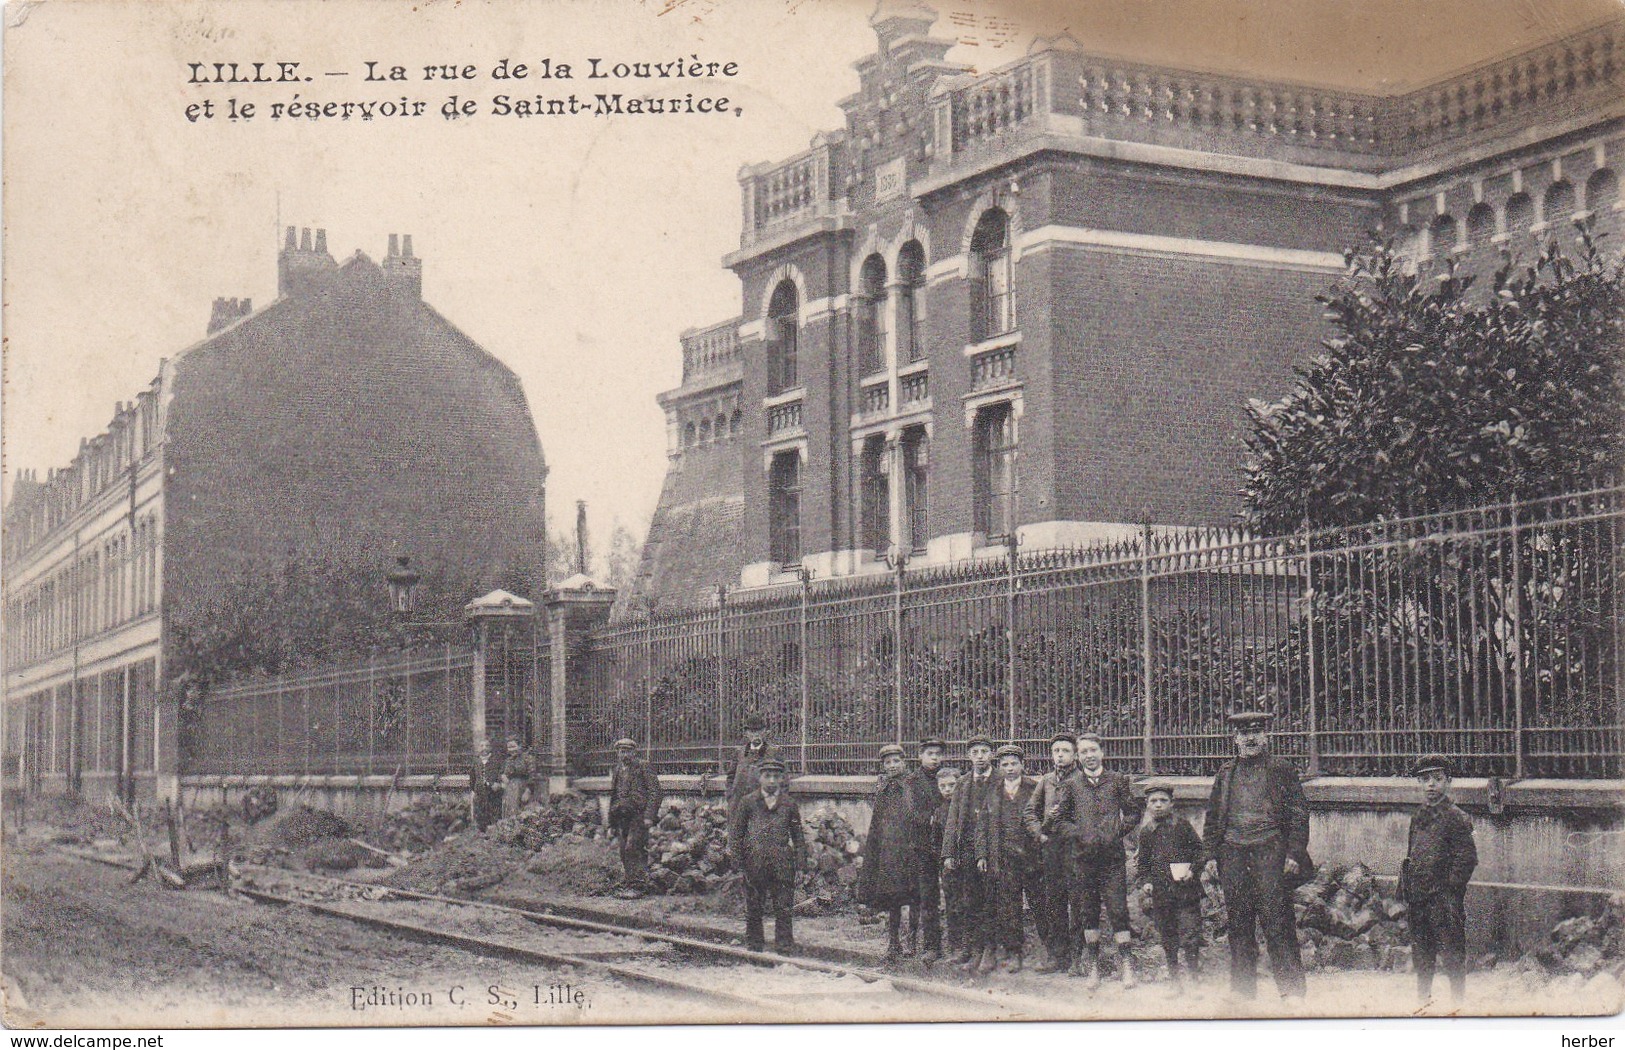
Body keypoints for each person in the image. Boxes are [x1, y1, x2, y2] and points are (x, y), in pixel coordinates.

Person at [1202, 709, 1312, 1001]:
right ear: (1234, 738)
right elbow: (1213, 817)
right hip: (1233, 854)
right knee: (1238, 922)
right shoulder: (1225, 774)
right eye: (1243, 733)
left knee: (1278, 920)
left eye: (1255, 732)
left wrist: (1294, 853)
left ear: (1266, 736)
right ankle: (1242, 991)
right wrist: (1211, 855)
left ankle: (1292, 992)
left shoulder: (1282, 770)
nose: (1249, 738)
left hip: (1270, 853)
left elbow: (1299, 815)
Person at [1051, 732, 1142, 988]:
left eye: (1093, 750)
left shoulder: (1117, 781)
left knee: (1118, 911)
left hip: (1112, 859)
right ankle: (1093, 965)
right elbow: (1059, 820)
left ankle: (1126, 964)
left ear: (1101, 752)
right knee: (1088, 912)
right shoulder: (1071, 785)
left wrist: (1119, 831)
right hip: (1083, 859)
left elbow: (1134, 811)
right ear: (1078, 757)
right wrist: (1078, 834)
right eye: (1084, 752)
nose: (1089, 756)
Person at [1400, 754, 1477, 1005]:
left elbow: (1466, 859)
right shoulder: (1418, 816)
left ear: (1449, 782)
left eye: (1437, 779)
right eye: (1425, 780)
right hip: (1419, 898)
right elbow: (1412, 853)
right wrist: (1408, 886)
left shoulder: (1456, 817)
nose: (1431, 785)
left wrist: (1450, 890)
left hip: (1443, 900)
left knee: (1452, 953)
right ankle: (1423, 1002)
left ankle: (1458, 1003)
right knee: (1422, 956)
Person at [727, 757, 805, 952]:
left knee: (784, 907)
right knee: (754, 907)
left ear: (781, 779)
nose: (771, 781)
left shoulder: (789, 804)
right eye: (767, 776)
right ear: (759, 778)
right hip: (755, 862)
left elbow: (798, 837)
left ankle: (784, 947)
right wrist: (738, 861)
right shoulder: (748, 802)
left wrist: (801, 865)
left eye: (775, 776)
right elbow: (736, 833)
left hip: (782, 863)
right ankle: (754, 947)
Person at [1136, 780, 1205, 987]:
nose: (1158, 805)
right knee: (1168, 936)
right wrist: (1146, 881)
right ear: (1147, 805)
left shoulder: (1182, 826)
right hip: (1161, 894)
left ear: (1172, 803)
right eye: (1153, 801)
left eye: (1163, 800)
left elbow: (1200, 852)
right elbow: (1143, 864)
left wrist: (1192, 870)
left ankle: (1194, 978)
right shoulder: (1146, 831)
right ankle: (1175, 980)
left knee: (1190, 935)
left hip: (1186, 892)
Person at [1024, 730, 1082, 973]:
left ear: (1075, 754)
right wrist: (1040, 833)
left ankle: (1079, 957)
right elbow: (1029, 812)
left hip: (1076, 850)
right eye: (1056, 751)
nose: (1060, 755)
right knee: (1054, 902)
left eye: (1065, 751)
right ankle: (1058, 957)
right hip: (1051, 852)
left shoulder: (1082, 779)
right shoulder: (1046, 780)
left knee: (1078, 903)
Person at [979, 744, 1039, 973]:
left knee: (1039, 903)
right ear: (999, 767)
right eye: (1005, 764)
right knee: (1009, 905)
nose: (1010, 768)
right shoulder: (993, 791)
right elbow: (983, 826)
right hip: (1004, 857)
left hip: (1031, 856)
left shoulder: (1034, 788)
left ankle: (1050, 951)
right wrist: (983, 854)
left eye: (1014, 763)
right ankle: (1014, 952)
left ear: (1022, 765)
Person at [858, 743, 920, 962]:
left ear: (904, 762)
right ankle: (893, 942)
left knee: (914, 897)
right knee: (893, 897)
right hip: (890, 852)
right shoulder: (883, 789)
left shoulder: (913, 784)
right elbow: (877, 823)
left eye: (896, 761)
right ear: (883, 766)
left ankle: (912, 940)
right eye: (888, 762)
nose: (892, 766)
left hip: (911, 849)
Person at [942, 734, 997, 972]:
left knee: (990, 899)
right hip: (966, 849)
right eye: (975, 752)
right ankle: (972, 948)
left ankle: (989, 950)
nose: (980, 757)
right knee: (969, 899)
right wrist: (949, 853)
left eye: (984, 751)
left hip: (993, 849)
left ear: (991, 754)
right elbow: (953, 820)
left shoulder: (1001, 780)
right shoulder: (963, 783)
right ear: (969, 756)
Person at [905, 738, 949, 963]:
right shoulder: (912, 781)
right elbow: (911, 813)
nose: (935, 758)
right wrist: (934, 818)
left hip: (948, 845)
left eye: (938, 754)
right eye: (930, 753)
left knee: (953, 894)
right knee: (928, 897)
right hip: (923, 846)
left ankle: (958, 944)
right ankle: (932, 946)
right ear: (920, 756)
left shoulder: (949, 778)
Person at [608, 737, 664, 899]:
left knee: (633, 848)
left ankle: (638, 886)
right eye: (620, 751)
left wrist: (649, 816)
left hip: (639, 815)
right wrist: (611, 821)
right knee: (624, 851)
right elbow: (614, 795)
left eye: (627, 751)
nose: (623, 754)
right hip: (622, 816)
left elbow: (655, 792)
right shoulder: (618, 769)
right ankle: (631, 881)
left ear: (634, 752)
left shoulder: (643, 767)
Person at [932, 764, 964, 964]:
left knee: (969, 904)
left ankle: (972, 947)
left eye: (951, 785)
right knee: (952, 906)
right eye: (943, 786)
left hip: (968, 865)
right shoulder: (939, 812)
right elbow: (935, 841)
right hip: (949, 867)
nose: (947, 790)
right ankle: (955, 945)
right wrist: (943, 861)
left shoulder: (966, 807)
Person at [725, 712, 783, 815]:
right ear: (746, 733)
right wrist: (730, 796)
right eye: (752, 731)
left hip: (762, 805)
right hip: (738, 804)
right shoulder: (739, 752)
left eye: (759, 730)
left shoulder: (773, 751)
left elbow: (783, 779)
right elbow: (730, 776)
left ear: (764, 731)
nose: (756, 734)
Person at [500, 738, 536, 820]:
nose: (511, 750)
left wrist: (528, 791)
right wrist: (503, 776)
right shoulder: (509, 760)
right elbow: (504, 773)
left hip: (522, 788)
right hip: (510, 790)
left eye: (513, 746)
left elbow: (532, 776)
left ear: (520, 746)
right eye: (509, 747)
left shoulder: (527, 758)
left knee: (522, 813)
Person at [469, 739, 501, 832]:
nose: (484, 748)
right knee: (480, 809)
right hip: (479, 790)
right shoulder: (476, 761)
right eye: (482, 746)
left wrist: (497, 783)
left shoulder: (495, 760)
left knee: (493, 808)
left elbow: (500, 772)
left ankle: (493, 830)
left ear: (490, 748)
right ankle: (481, 830)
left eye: (487, 746)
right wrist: (473, 789)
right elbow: (472, 776)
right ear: (479, 748)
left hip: (492, 790)